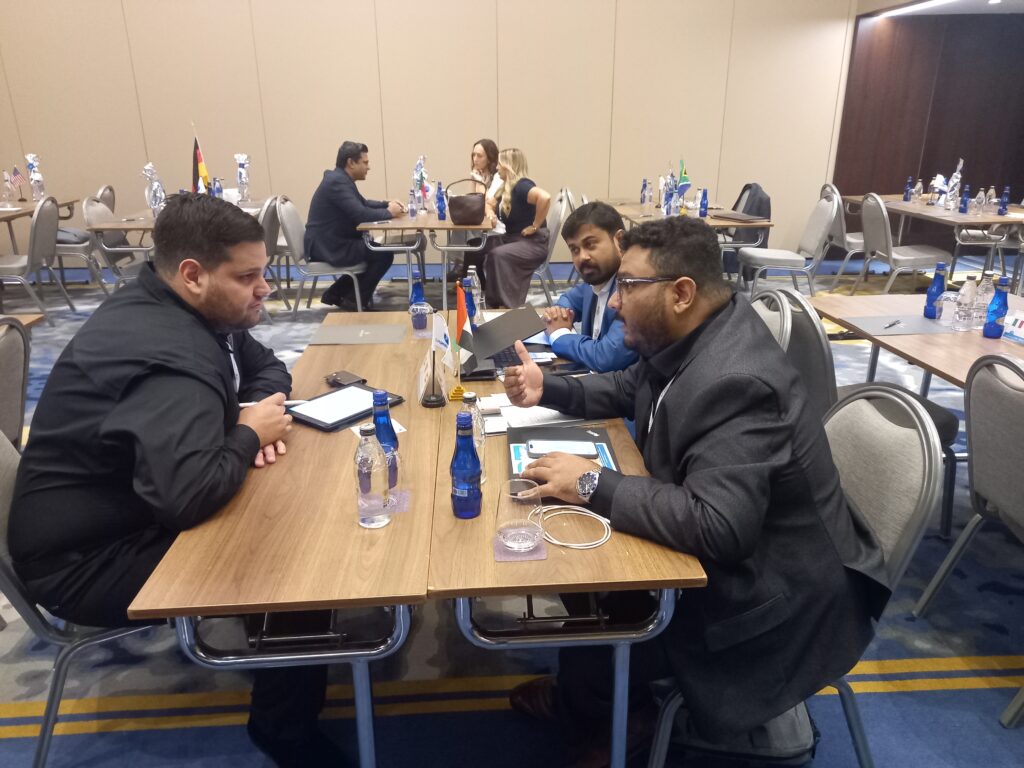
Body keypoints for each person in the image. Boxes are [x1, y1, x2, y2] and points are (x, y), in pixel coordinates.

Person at [502, 216, 890, 764]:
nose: (615, 303)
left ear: (681, 293)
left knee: (596, 623)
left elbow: (719, 527)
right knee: (583, 573)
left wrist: (589, 480)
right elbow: (630, 386)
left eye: (629, 287)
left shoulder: (738, 381)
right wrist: (550, 387)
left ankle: (616, 718)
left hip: (772, 600)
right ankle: (589, 696)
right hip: (749, 553)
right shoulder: (693, 335)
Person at [8, 193, 343, 767]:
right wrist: (248, 436)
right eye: (248, 277)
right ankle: (284, 730)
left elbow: (265, 365)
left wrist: (252, 410)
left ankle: (275, 646)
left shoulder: (181, 306)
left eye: (263, 272)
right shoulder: (171, 354)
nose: (264, 288)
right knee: (298, 560)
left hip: (125, 511)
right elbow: (188, 498)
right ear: (192, 274)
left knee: (283, 511)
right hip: (86, 563)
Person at [304, 141, 405, 311]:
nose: (368, 167)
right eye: (365, 162)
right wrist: (389, 212)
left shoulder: (340, 179)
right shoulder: (337, 183)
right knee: (382, 255)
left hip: (331, 241)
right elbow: (361, 215)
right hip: (328, 246)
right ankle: (353, 301)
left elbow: (363, 204)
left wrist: (386, 204)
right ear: (351, 163)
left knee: (376, 251)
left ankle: (335, 293)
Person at [541, 201, 637, 373]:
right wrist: (558, 315)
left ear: (620, 240)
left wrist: (559, 334)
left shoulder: (633, 290)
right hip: (595, 382)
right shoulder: (596, 280)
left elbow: (607, 357)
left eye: (590, 244)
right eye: (574, 249)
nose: (582, 257)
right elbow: (568, 299)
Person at [481, 147, 552, 308]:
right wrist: (491, 214)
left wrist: (535, 226)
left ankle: (506, 305)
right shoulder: (506, 188)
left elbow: (545, 197)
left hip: (533, 243)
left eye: (499, 164)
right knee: (478, 248)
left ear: (509, 166)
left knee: (497, 255)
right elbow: (489, 204)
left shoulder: (522, 186)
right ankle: (486, 294)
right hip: (514, 239)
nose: (497, 168)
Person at [447, 138, 502, 284]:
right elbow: (472, 200)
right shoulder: (480, 174)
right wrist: (474, 181)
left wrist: (479, 183)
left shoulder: (498, 176)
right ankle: (461, 266)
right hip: (484, 222)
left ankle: (462, 268)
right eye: (473, 155)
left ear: (490, 158)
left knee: (463, 230)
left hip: (496, 226)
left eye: (479, 156)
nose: (475, 159)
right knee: (460, 225)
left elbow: (483, 203)